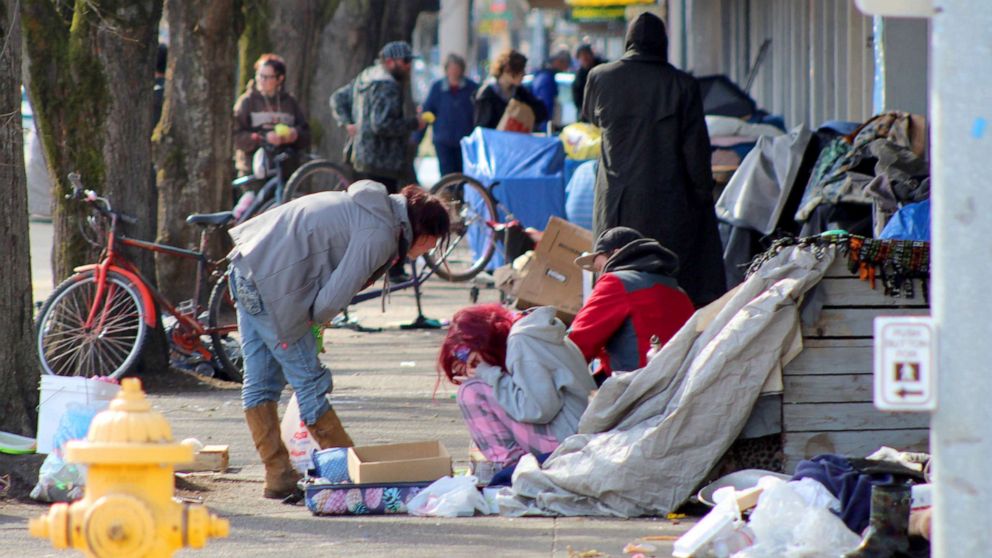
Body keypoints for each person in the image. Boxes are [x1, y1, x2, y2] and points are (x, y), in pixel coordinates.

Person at [228, 180, 450, 499]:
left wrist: (314, 321)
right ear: (425, 234)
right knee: (309, 381)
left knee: (260, 382)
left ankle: (278, 476)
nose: (428, 250)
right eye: (432, 243)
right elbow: (333, 298)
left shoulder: (376, 209)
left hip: (247, 265)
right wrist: (314, 324)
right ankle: (350, 474)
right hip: (273, 284)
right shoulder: (380, 233)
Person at [582, 13, 726, 307]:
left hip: (615, 206)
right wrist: (703, 195)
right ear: (663, 43)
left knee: (616, 281)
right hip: (669, 205)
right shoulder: (683, 85)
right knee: (669, 284)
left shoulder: (600, 77)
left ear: (628, 42)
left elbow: (591, 119)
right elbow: (696, 152)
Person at [437, 304, 596, 468]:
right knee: (482, 387)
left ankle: (508, 470)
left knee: (471, 391)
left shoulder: (521, 341)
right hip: (577, 433)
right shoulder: (532, 333)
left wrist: (489, 374)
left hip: (568, 442)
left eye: (464, 353)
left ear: (480, 341)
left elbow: (538, 410)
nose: (467, 361)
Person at [569, 227, 695, 385]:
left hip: (633, 393)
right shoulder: (680, 292)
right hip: (680, 389)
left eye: (600, 268)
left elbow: (577, 344)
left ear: (615, 253)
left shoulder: (616, 282)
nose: (599, 275)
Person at [331, 41, 426, 194]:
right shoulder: (388, 86)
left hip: (360, 158)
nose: (409, 66)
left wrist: (346, 122)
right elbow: (382, 125)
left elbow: (337, 98)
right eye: (405, 61)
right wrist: (414, 123)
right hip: (384, 163)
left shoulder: (365, 79)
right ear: (389, 62)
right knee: (384, 210)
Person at [233, 53, 310, 178]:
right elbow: (235, 136)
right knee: (250, 198)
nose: (261, 80)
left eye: (267, 77)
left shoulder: (290, 102)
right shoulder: (247, 102)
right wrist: (263, 138)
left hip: (286, 170)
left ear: (279, 79)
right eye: (259, 75)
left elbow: (306, 134)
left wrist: (294, 135)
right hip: (253, 172)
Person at [421, 54, 478, 176]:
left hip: (465, 140)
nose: (454, 71)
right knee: (446, 174)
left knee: (463, 174)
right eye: (451, 68)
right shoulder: (437, 87)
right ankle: (447, 195)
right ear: (446, 69)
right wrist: (418, 135)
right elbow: (428, 111)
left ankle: (460, 195)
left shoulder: (472, 88)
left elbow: (478, 113)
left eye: (457, 68)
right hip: (443, 140)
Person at [473, 49, 548, 131]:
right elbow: (482, 128)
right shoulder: (487, 94)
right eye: (520, 70)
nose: (523, 74)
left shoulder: (520, 92)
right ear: (508, 69)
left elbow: (541, 113)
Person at [528, 49, 571, 131]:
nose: (566, 68)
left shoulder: (541, 76)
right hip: (542, 126)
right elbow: (546, 106)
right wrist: (547, 129)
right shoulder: (547, 79)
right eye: (566, 63)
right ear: (558, 61)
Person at [571, 44, 603, 117]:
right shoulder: (579, 75)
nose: (585, 58)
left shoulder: (602, 68)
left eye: (586, 55)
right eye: (581, 56)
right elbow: (577, 96)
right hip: (586, 115)